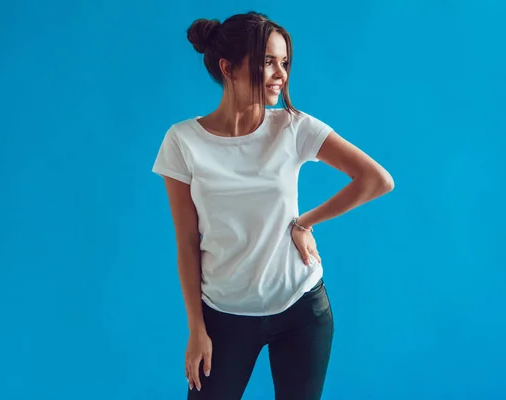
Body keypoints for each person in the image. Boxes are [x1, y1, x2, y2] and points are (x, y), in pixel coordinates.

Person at [152, 11, 394, 400]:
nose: (280, 73)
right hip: (224, 316)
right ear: (227, 67)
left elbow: (377, 179)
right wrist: (197, 329)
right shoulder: (182, 141)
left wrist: (304, 223)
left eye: (284, 62)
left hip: (302, 309)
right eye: (267, 61)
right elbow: (186, 242)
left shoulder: (294, 127)